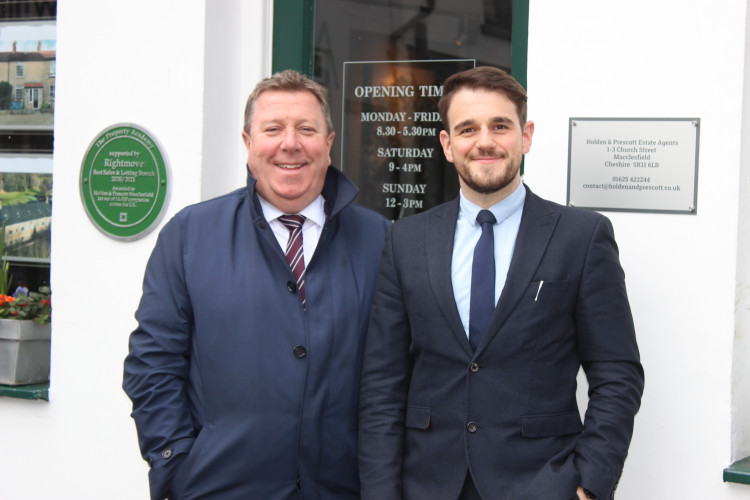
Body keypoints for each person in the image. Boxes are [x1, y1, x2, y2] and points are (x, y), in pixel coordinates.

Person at [358, 66, 644, 500]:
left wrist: (589, 485)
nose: (485, 141)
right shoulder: (406, 240)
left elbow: (617, 373)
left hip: (544, 485)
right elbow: (383, 383)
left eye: (500, 126)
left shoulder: (580, 237)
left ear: (525, 136)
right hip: (427, 485)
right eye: (467, 129)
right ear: (447, 145)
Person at [123, 70, 390, 500]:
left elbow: (394, 377)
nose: (290, 143)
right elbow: (153, 363)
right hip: (218, 488)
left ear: (329, 143)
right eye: (273, 129)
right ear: (248, 144)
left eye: (307, 129)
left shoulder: (380, 239)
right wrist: (175, 463)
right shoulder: (190, 236)